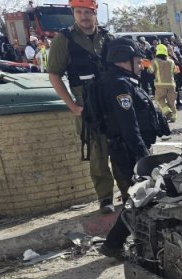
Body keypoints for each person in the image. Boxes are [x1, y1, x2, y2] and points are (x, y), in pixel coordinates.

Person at [96, 38, 170, 259]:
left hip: (127, 150)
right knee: (139, 198)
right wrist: (143, 155)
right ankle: (114, 244)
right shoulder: (120, 85)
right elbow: (129, 126)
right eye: (137, 61)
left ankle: (119, 243)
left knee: (137, 198)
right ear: (124, 60)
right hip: (128, 152)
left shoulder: (121, 80)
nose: (140, 66)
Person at [47, 0, 121, 214]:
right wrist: (72, 106)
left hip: (111, 103)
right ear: (73, 13)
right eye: (78, 12)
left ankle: (127, 193)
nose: (83, 16)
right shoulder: (64, 40)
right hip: (86, 106)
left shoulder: (108, 38)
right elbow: (54, 75)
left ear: (94, 12)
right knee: (98, 155)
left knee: (120, 149)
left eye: (87, 12)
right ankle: (105, 198)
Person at [149, 43, 177, 122]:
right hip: (171, 84)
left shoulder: (155, 61)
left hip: (160, 85)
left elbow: (150, 71)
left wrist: (148, 65)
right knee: (171, 101)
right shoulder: (171, 61)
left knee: (159, 100)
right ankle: (173, 117)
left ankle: (167, 111)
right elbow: (175, 71)